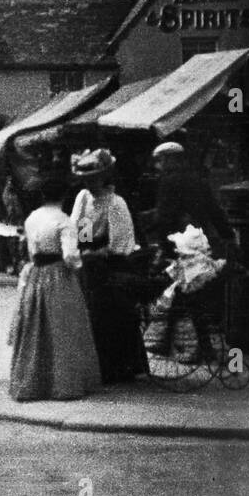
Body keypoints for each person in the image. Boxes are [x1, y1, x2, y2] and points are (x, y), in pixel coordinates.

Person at [7, 174, 101, 401]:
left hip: (36, 273)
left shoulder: (32, 218)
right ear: (64, 195)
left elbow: (30, 250)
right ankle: (63, 383)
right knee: (63, 327)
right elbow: (70, 256)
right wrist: (83, 259)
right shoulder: (64, 220)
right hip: (59, 276)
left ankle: (33, 381)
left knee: (36, 326)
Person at [69, 147, 148, 385]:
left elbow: (119, 243)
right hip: (89, 266)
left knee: (112, 317)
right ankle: (98, 367)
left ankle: (119, 368)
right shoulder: (83, 198)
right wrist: (81, 250)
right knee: (90, 316)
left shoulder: (115, 203)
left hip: (111, 266)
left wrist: (97, 253)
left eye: (93, 179)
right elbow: (79, 231)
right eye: (85, 179)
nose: (89, 183)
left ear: (104, 177)